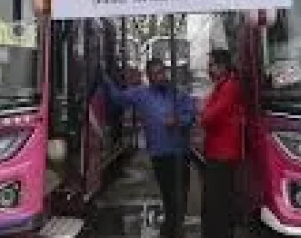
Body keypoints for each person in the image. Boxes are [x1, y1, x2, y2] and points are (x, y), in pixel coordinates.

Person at [104, 58, 197, 238]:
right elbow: (117, 98)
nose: (159, 77)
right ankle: (171, 229)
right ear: (149, 76)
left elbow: (191, 116)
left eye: (161, 72)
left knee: (181, 195)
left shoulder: (178, 94)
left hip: (180, 153)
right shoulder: (141, 94)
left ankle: (175, 227)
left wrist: (178, 120)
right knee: (168, 195)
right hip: (160, 154)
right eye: (155, 74)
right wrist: (104, 78)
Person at [200, 49, 244, 238]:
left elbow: (208, 118)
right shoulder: (222, 86)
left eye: (212, 65)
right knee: (216, 199)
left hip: (223, 154)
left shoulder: (229, 87)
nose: (209, 69)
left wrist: (203, 111)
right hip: (217, 152)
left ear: (223, 66)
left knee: (218, 201)